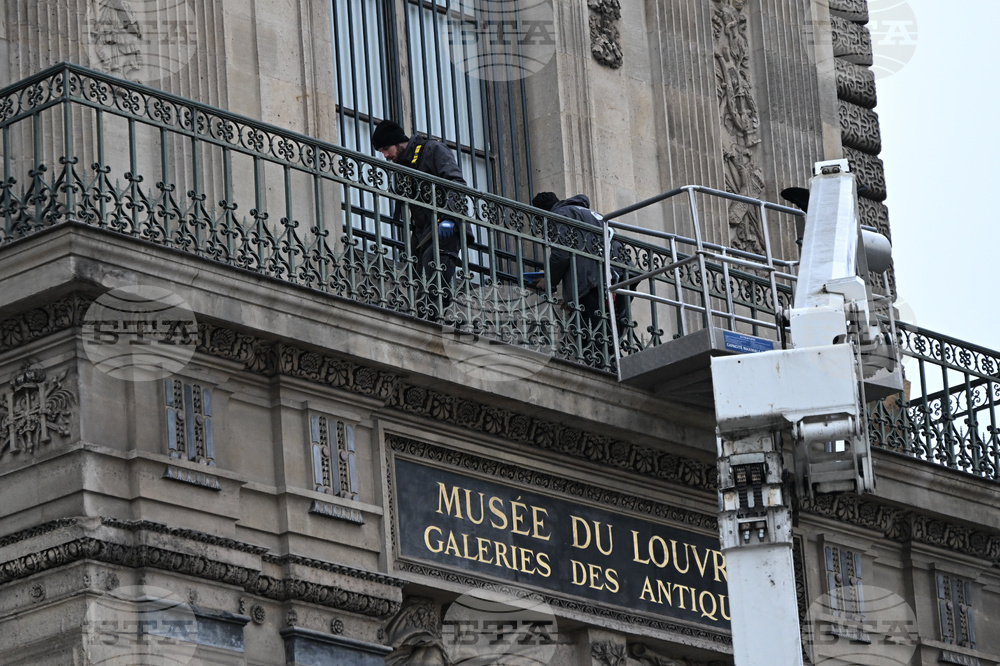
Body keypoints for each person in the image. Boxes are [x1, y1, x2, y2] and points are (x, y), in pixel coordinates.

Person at [372, 120, 468, 318]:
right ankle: (428, 318)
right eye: (382, 152)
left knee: (436, 272)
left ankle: (435, 320)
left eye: (386, 149)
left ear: (398, 141)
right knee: (420, 279)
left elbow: (457, 183)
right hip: (422, 234)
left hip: (444, 227)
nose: (386, 155)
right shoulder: (403, 166)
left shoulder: (432, 149)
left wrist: (449, 219)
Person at [530, 192, 628, 348]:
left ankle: (602, 366)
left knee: (589, 336)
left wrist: (549, 281)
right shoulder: (587, 213)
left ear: (541, 212)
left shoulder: (558, 215)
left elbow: (561, 254)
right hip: (623, 275)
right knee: (611, 330)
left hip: (597, 280)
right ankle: (612, 364)